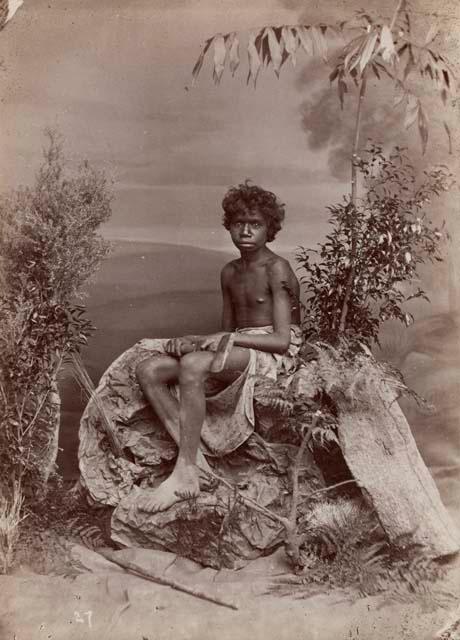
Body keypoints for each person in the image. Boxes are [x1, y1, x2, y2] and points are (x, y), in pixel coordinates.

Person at [135, 180, 301, 512]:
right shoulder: (229, 272)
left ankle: (183, 473)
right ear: (229, 226)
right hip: (238, 347)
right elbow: (224, 334)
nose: (246, 231)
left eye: (255, 224)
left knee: (194, 365)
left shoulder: (276, 268)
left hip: (272, 353)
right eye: (239, 223)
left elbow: (283, 341)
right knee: (150, 369)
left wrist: (220, 343)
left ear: (270, 229)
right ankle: (196, 464)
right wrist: (195, 341)